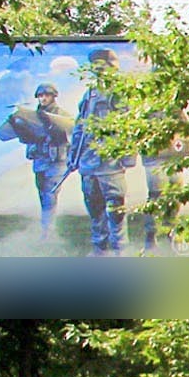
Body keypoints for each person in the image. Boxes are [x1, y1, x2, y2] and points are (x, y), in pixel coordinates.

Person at [0, 83, 72, 236]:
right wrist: (18, 125)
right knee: (43, 194)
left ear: (53, 96)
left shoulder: (62, 115)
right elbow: (25, 137)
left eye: (46, 95)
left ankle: (48, 231)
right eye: (41, 96)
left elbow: (70, 133)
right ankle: (46, 228)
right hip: (40, 160)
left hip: (56, 161)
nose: (43, 98)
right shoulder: (33, 116)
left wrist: (52, 127)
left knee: (50, 194)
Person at [72, 52, 127, 255]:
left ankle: (120, 249)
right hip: (89, 164)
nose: (98, 69)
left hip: (110, 163)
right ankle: (100, 249)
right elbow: (79, 127)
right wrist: (73, 158)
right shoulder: (90, 94)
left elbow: (128, 126)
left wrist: (127, 157)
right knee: (94, 209)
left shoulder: (119, 92)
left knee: (115, 209)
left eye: (103, 65)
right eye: (95, 65)